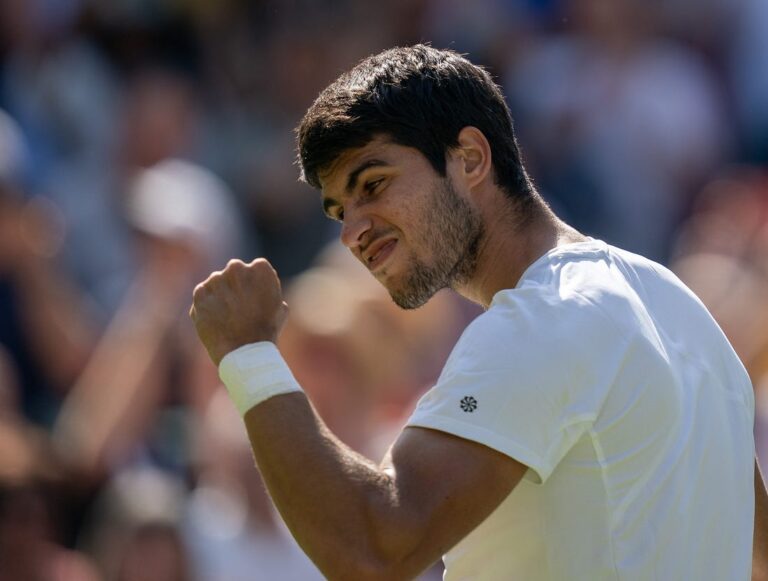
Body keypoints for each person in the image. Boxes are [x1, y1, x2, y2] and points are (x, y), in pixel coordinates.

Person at [189, 45, 768, 579]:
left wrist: (250, 356)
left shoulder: (542, 321)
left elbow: (374, 547)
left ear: (469, 158)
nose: (352, 233)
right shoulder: (679, 305)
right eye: (340, 209)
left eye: (374, 184)